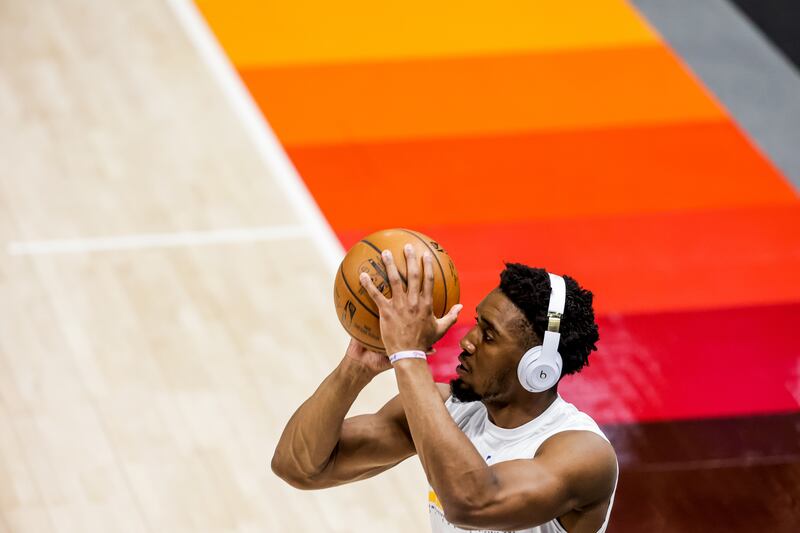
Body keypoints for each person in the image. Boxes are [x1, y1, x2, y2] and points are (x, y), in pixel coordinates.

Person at [272, 245, 618, 532]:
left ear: (538, 369)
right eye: (477, 323)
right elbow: (298, 467)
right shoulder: (448, 409)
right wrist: (356, 367)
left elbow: (472, 502)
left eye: (489, 335)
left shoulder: (583, 454)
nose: (467, 341)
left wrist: (408, 356)